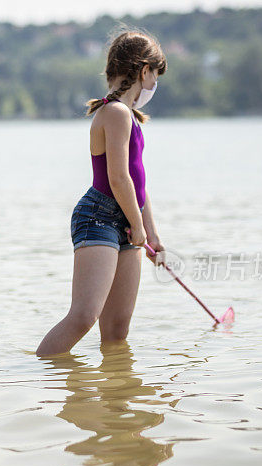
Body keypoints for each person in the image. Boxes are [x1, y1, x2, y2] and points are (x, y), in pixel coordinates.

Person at [36, 31, 167, 356]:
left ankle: (115, 401)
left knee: (117, 329)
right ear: (144, 70)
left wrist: (151, 233)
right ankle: (38, 379)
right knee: (83, 317)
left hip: (126, 219)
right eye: (156, 76)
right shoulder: (115, 113)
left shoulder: (130, 116)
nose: (154, 85)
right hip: (98, 218)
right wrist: (137, 226)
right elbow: (118, 178)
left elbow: (138, 183)